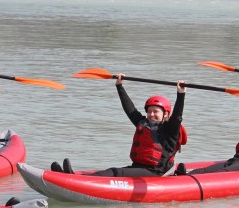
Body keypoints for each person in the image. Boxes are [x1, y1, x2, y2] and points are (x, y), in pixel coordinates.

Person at [51, 74, 187, 177]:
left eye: (155, 111)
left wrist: (180, 94)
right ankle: (73, 175)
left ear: (165, 114)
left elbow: (177, 117)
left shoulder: (170, 130)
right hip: (139, 167)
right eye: (149, 111)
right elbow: (130, 109)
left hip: (156, 171)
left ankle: (75, 179)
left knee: (115, 171)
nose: (151, 114)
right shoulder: (143, 123)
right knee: (113, 171)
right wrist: (119, 86)